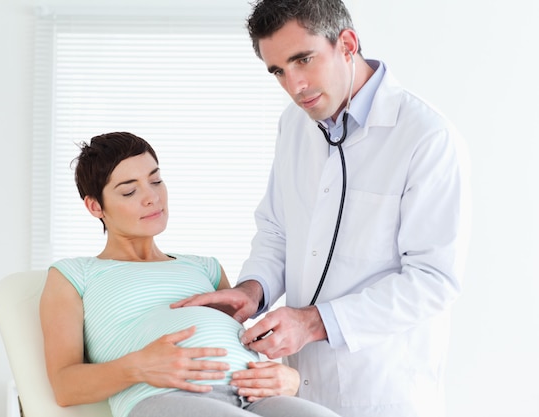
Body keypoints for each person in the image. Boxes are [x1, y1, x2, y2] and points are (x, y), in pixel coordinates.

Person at [171, 1, 471, 417]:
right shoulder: (295, 125)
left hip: (384, 390)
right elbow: (277, 229)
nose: (294, 85)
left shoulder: (426, 137)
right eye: (277, 71)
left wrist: (314, 322)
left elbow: (433, 279)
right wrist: (252, 291)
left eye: (303, 60)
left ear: (347, 44)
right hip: (298, 393)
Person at [39, 131, 341, 417]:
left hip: (255, 396)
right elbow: (65, 386)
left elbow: (246, 341)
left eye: (155, 181)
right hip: (164, 398)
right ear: (95, 206)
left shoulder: (204, 267)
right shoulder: (74, 275)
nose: (151, 198)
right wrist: (138, 367)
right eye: (130, 190)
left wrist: (287, 377)